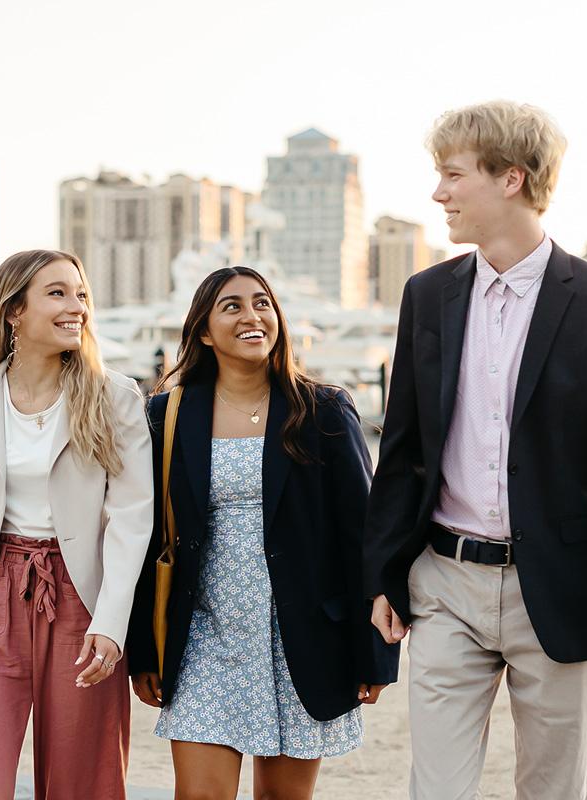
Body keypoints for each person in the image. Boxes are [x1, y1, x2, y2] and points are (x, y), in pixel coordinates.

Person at [365, 101, 587, 799]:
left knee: (554, 790)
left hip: (562, 591)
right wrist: (380, 573)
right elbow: (404, 448)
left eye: (452, 175)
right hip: (445, 584)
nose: (439, 193)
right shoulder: (427, 295)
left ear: (511, 179)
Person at [127, 266, 399, 800]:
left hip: (300, 639)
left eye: (262, 304)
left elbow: (361, 534)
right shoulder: (168, 414)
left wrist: (373, 652)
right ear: (203, 330)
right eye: (231, 306)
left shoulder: (321, 410)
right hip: (205, 635)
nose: (252, 317)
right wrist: (144, 650)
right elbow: (148, 536)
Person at [0, 249, 153, 800]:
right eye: (57, 293)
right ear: (13, 312)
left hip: (81, 600)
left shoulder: (115, 396)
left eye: (80, 294)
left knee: (83, 783)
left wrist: (112, 623)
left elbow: (132, 519)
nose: (76, 306)